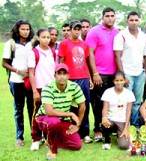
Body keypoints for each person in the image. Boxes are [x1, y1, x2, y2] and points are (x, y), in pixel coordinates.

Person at [35, 63, 86, 160]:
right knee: (54, 122)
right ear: (54, 76)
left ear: (68, 76)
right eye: (59, 74)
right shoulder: (48, 88)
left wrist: (77, 125)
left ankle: (52, 139)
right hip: (44, 117)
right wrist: (70, 114)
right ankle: (52, 150)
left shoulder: (74, 87)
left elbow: (82, 105)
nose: (62, 77)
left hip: (63, 120)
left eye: (64, 74)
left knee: (77, 145)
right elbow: (49, 112)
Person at [86, 7, 119, 142]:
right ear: (102, 17)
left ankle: (110, 127)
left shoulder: (117, 32)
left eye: (112, 15)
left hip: (115, 74)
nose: (110, 18)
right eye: (107, 16)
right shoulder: (94, 31)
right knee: (98, 103)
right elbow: (90, 54)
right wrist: (95, 73)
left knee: (114, 102)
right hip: (100, 74)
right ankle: (98, 129)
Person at [58, 20, 93, 143]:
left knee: (84, 106)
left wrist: (89, 78)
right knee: (70, 107)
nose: (77, 31)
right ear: (70, 29)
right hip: (70, 79)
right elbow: (60, 63)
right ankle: (71, 131)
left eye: (79, 29)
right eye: (75, 29)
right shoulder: (64, 44)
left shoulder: (84, 44)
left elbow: (86, 62)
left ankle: (85, 132)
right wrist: (61, 79)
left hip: (83, 78)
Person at [2, 19, 34, 147]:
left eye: (27, 29)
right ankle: (19, 137)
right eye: (23, 29)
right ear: (17, 30)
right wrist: (18, 71)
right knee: (19, 109)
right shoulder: (11, 44)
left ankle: (35, 135)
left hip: (30, 80)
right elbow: (4, 63)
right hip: (16, 80)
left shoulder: (32, 43)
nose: (26, 32)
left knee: (33, 108)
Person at [114, 11, 146, 128]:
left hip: (140, 73)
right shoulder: (121, 36)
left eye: (136, 20)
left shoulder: (144, 36)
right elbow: (117, 56)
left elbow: (145, 56)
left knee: (137, 102)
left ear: (139, 21)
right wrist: (123, 76)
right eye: (131, 20)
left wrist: (145, 73)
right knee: (126, 101)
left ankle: (135, 127)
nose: (134, 22)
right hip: (127, 73)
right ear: (127, 21)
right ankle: (124, 127)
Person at [28, 28, 56, 151]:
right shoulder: (34, 52)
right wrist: (34, 90)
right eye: (43, 37)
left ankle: (48, 138)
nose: (46, 39)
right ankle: (35, 138)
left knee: (50, 113)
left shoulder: (52, 52)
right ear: (38, 38)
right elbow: (31, 73)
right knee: (37, 113)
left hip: (51, 88)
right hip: (39, 88)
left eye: (48, 37)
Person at [101, 71, 135, 150]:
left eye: (121, 80)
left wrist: (126, 128)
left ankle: (119, 135)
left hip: (122, 121)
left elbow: (129, 112)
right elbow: (105, 108)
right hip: (110, 119)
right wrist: (104, 117)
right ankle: (107, 139)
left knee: (124, 146)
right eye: (116, 80)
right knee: (105, 123)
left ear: (124, 81)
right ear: (113, 81)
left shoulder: (129, 93)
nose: (119, 83)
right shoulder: (108, 92)